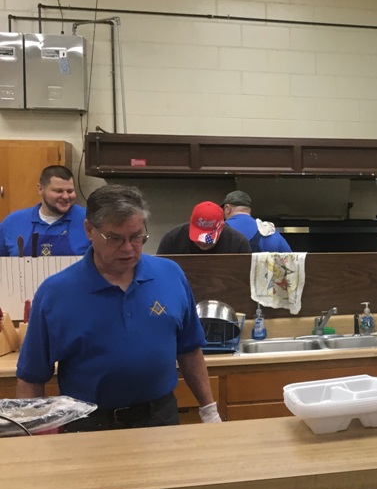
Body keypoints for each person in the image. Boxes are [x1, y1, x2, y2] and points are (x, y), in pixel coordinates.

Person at [15, 184, 220, 431]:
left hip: (159, 419)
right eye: (115, 238)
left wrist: (209, 411)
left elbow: (190, 351)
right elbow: (31, 377)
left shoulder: (170, 275)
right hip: (88, 424)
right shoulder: (55, 293)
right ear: (89, 230)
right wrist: (28, 436)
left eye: (136, 236)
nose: (128, 248)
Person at [0, 165, 89, 257]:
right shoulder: (13, 222)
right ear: (40, 189)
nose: (66, 196)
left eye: (70, 191)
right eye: (58, 191)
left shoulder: (88, 220)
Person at [157, 200, 251, 255]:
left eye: (209, 237)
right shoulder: (172, 240)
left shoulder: (238, 243)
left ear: (221, 228)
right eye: (198, 235)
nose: (203, 242)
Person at [222, 190, 292, 252]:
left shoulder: (220, 230)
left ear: (228, 209)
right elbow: (290, 258)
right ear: (249, 209)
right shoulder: (269, 231)